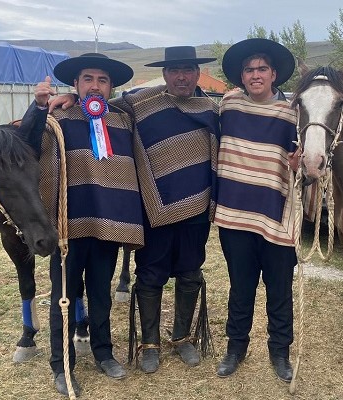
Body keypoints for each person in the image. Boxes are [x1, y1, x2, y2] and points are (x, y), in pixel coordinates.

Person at [48, 46, 219, 374]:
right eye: (174, 70)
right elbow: (99, 106)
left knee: (190, 273)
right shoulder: (139, 102)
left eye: (188, 69)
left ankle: (183, 338)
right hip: (153, 208)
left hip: (196, 207)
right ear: (165, 74)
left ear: (197, 73)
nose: (181, 76)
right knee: (150, 276)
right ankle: (149, 345)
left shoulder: (210, 109)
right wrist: (70, 98)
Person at [24, 53, 144, 396]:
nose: (95, 85)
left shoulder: (122, 121)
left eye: (103, 80)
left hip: (107, 225)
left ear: (111, 87)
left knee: (101, 295)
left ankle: (104, 352)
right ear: (75, 84)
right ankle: (62, 364)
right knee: (64, 296)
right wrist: (38, 105)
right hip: (67, 227)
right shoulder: (57, 118)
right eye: (88, 79)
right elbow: (29, 143)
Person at [213, 38, 299, 383]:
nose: (255, 74)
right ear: (241, 77)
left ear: (274, 74)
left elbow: (310, 159)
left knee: (279, 290)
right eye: (249, 70)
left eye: (262, 68)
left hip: (277, 214)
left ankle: (280, 352)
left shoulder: (294, 111)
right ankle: (236, 347)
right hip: (234, 215)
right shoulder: (227, 104)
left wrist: (301, 165)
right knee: (241, 286)